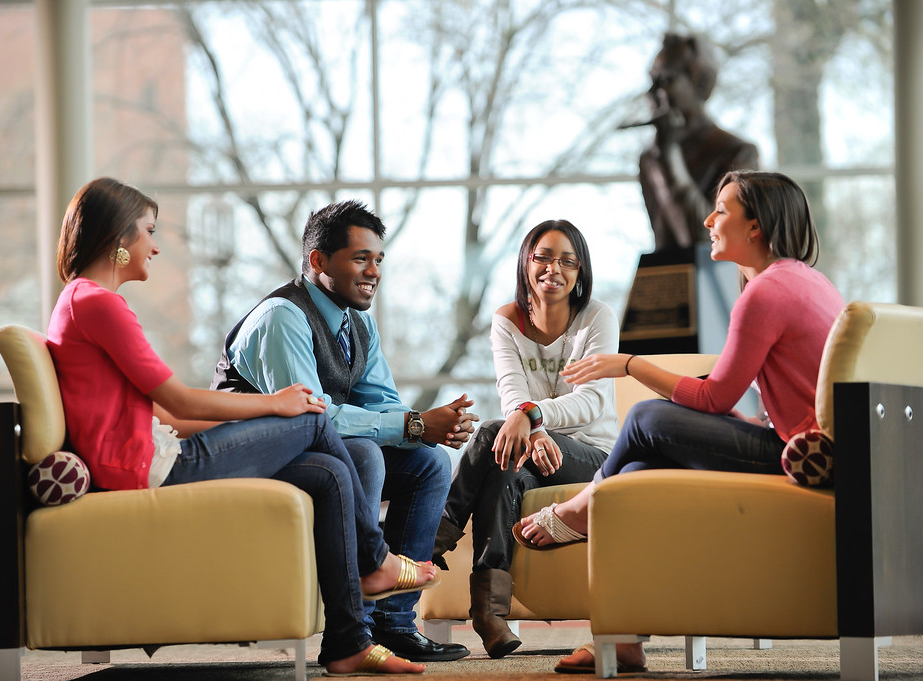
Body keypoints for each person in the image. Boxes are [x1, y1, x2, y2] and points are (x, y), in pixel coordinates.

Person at [47, 177, 441, 676]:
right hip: (147, 465)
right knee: (313, 415)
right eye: (149, 230)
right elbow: (175, 397)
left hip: (148, 454)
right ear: (118, 238)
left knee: (327, 472)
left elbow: (165, 414)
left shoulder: (80, 300)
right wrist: (274, 405)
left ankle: (347, 642)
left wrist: (279, 408)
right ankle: (376, 560)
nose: (156, 244)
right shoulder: (98, 303)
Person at [516, 170, 845, 674]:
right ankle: (623, 639)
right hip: (798, 442)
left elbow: (712, 397)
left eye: (722, 210)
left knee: (646, 417)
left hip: (797, 456)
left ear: (755, 226)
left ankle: (581, 508)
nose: (709, 220)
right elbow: (749, 391)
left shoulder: (766, 293)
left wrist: (628, 364)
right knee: (635, 474)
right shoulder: (805, 281)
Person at [210, 200, 479, 662]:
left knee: (430, 462)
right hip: (252, 456)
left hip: (315, 452)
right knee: (364, 454)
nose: (373, 271)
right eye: (360, 258)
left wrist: (428, 429)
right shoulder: (282, 316)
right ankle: (352, 630)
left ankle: (394, 625)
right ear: (318, 261)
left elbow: (382, 406)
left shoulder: (360, 326)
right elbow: (314, 416)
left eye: (378, 260)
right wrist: (415, 424)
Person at [431, 220, 620, 658]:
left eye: (568, 261)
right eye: (544, 257)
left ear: (579, 272)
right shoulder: (506, 320)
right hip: (531, 451)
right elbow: (511, 389)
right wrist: (533, 428)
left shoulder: (597, 317)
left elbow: (591, 401)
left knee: (493, 433)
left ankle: (434, 537)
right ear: (526, 261)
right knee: (504, 465)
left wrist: (533, 417)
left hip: (592, 454)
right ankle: (490, 613)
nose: (555, 268)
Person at [634, 33, 759, 252]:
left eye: (664, 80)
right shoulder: (650, 158)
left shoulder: (738, 153)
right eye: (651, 80)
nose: (651, 94)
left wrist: (669, 155)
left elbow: (704, 240)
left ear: (702, 83)